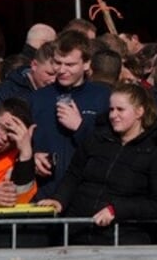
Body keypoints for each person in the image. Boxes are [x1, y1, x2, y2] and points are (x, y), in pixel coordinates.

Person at [38, 83, 157, 245]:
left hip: (123, 240)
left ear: (139, 111)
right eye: (111, 109)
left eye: (120, 109)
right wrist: (59, 200)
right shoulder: (97, 138)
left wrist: (117, 210)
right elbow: (74, 175)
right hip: (77, 233)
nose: (113, 115)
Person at [30, 32, 112, 197]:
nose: (61, 70)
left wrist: (80, 127)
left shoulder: (103, 97)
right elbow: (21, 141)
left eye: (70, 64)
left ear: (87, 63)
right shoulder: (37, 98)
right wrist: (31, 156)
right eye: (57, 63)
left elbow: (111, 145)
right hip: (44, 193)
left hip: (86, 195)